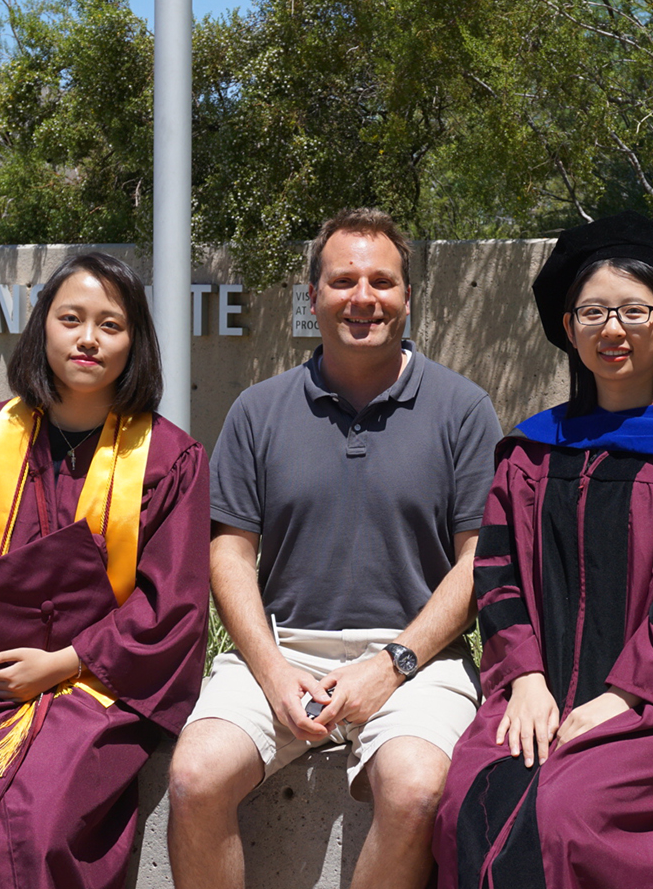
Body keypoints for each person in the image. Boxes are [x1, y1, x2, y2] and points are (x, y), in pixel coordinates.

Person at [432, 211, 653, 889]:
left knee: (567, 811)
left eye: (634, 311)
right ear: (568, 328)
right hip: (541, 692)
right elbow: (500, 574)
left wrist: (624, 699)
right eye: (593, 312)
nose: (612, 330)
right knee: (466, 801)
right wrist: (527, 681)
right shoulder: (533, 452)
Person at [166, 208, 504, 889]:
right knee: (194, 776)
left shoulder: (464, 410)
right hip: (284, 648)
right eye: (343, 279)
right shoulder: (258, 410)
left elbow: (478, 562)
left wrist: (392, 663)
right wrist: (270, 671)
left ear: (408, 296)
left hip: (417, 659)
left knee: (416, 792)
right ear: (313, 294)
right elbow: (228, 554)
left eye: (382, 280)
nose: (363, 297)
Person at [0, 252, 210, 889]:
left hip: (102, 687)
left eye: (111, 325)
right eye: (71, 318)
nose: (88, 338)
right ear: (43, 327)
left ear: (137, 343)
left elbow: (172, 604)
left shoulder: (168, 458)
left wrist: (68, 661)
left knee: (34, 826)